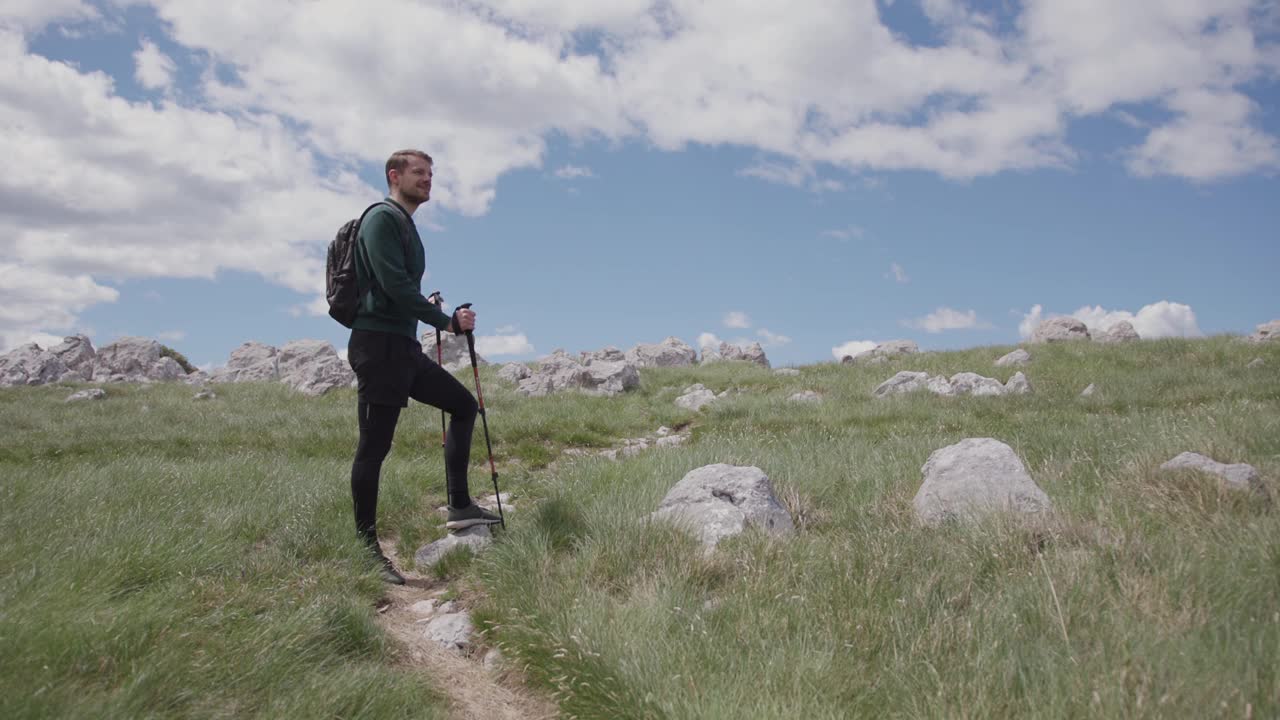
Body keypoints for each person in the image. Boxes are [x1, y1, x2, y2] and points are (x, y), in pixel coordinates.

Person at [347, 148, 501, 584]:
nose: (427, 180)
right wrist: (447, 321)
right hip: (378, 348)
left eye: (431, 174)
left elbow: (398, 285)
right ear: (394, 176)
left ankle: (459, 505)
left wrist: (429, 309)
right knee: (374, 447)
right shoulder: (380, 218)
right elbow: (393, 285)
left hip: (403, 348)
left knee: (463, 405)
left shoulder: (405, 225)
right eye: (419, 173)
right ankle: (365, 550)